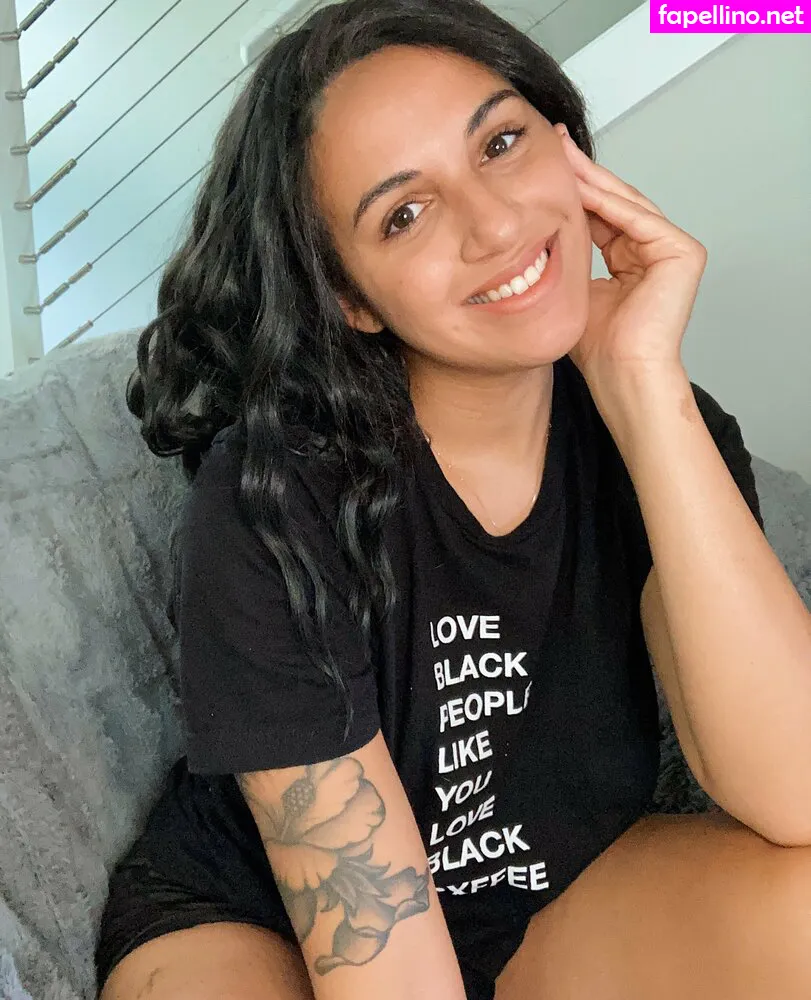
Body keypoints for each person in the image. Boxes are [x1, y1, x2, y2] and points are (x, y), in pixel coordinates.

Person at [94, 1, 811, 998]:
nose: (497, 224)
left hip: (541, 895)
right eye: (404, 213)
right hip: (263, 923)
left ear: (568, 146)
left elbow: (795, 790)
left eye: (501, 143)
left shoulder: (659, 432)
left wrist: (645, 386)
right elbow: (382, 962)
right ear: (350, 296)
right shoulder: (274, 500)